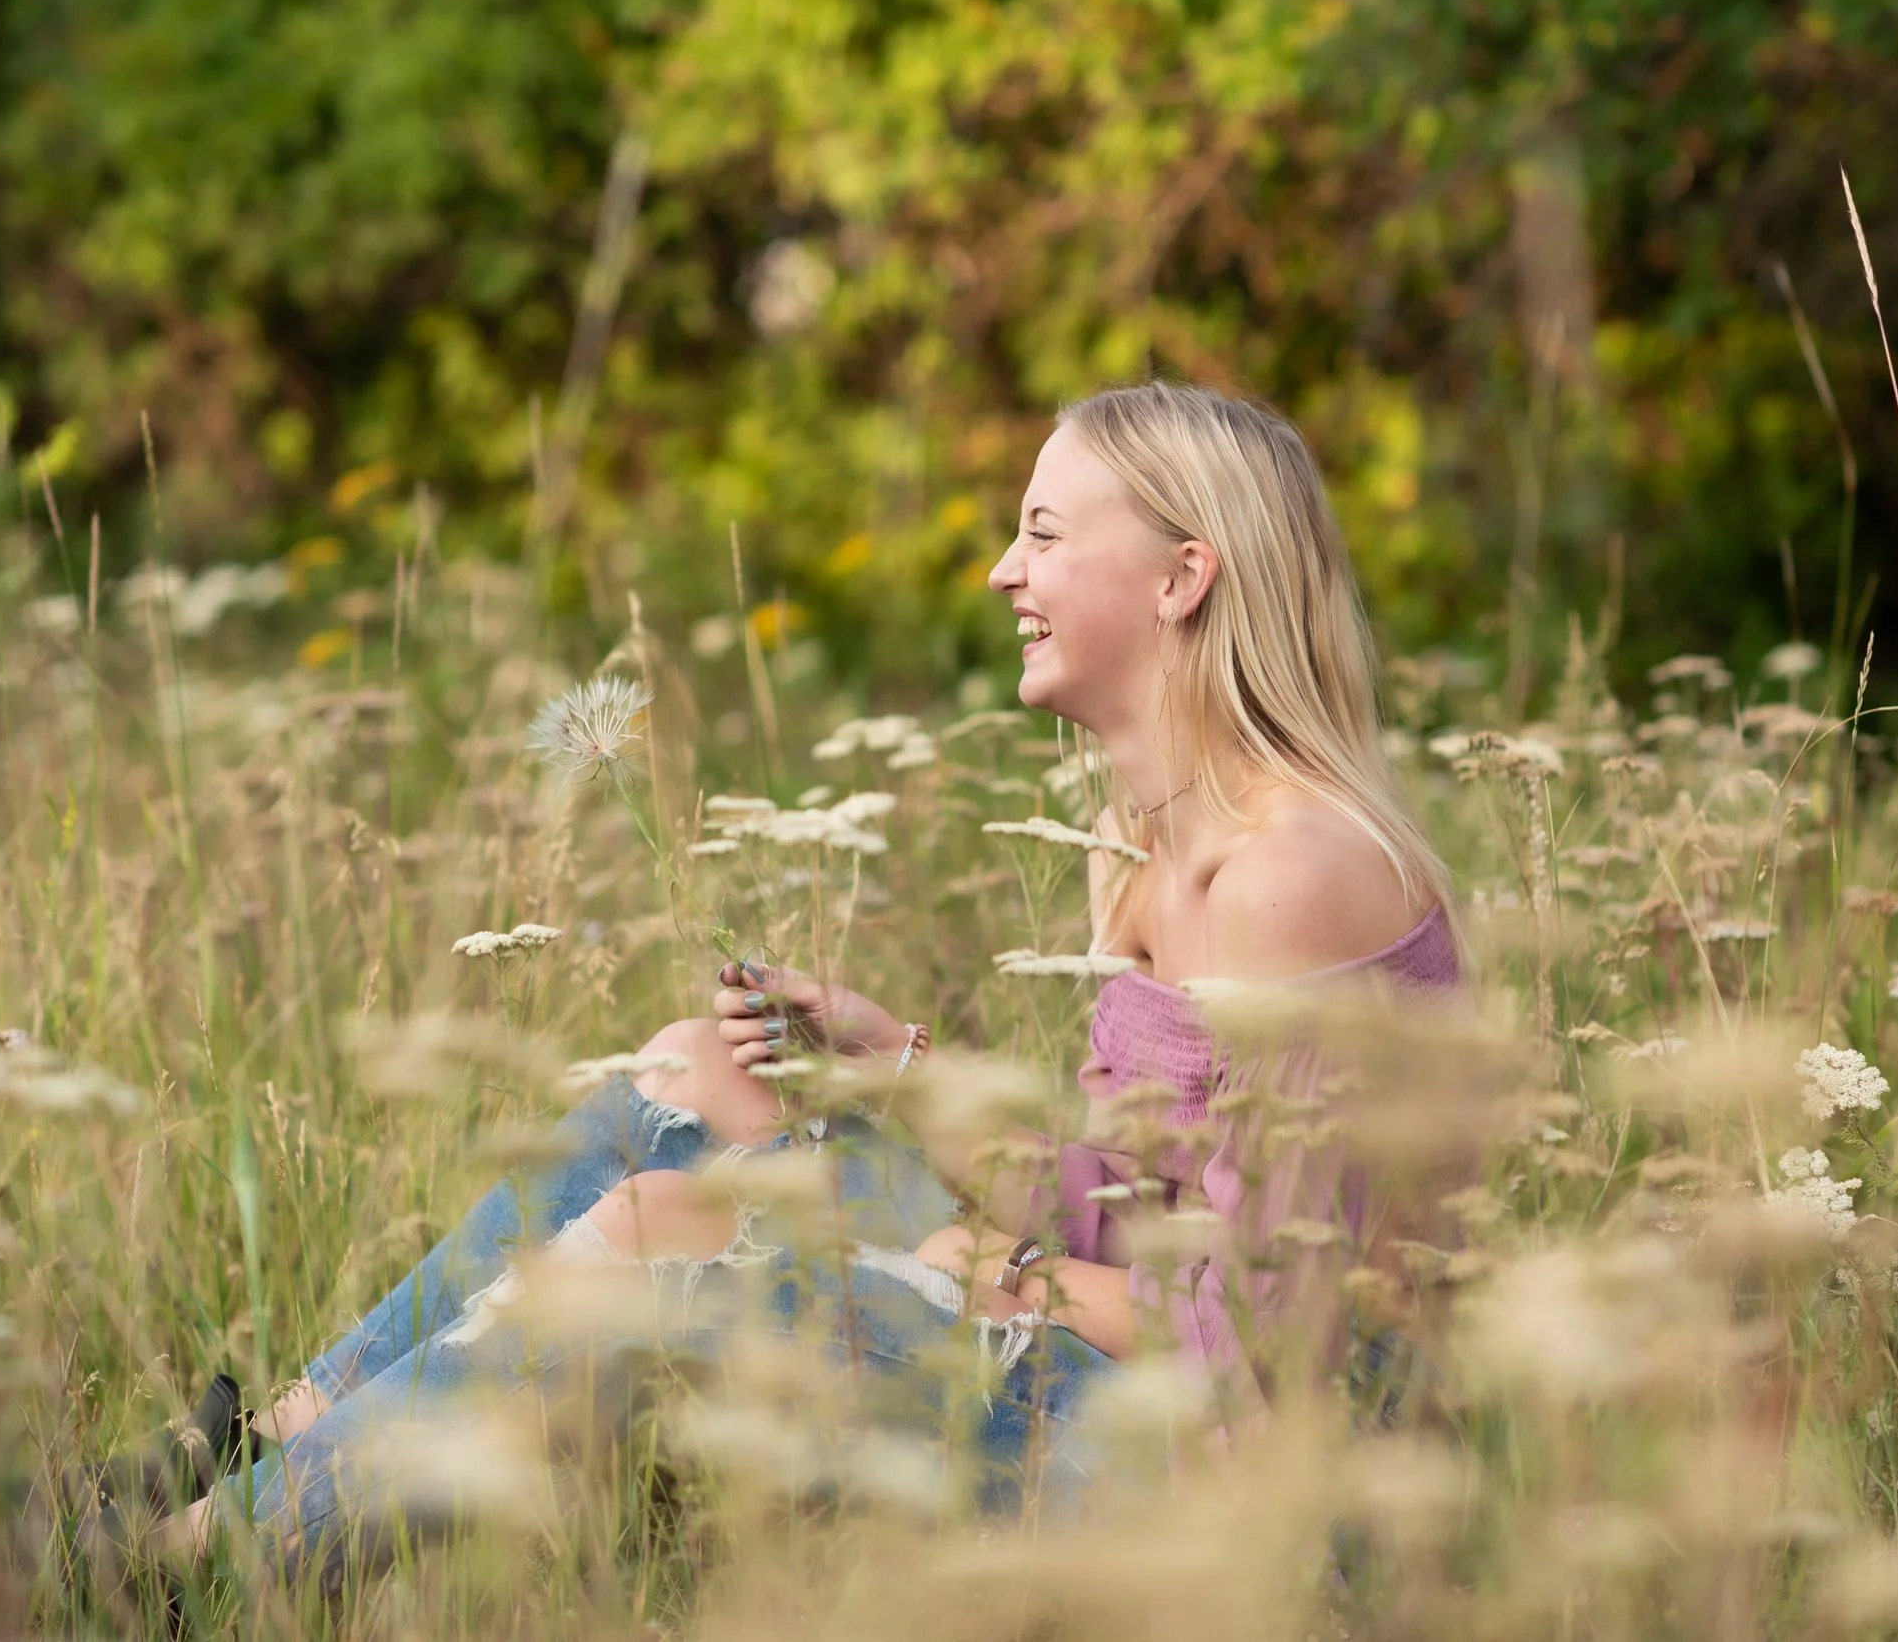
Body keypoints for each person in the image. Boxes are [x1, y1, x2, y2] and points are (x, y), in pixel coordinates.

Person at [176, 380, 1464, 1585]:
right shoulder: (1154, 848)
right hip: (1141, 1376)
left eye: (1045, 534)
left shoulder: (1292, 878)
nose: (1005, 571)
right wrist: (892, 1063)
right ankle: (238, 1464)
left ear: (1184, 576)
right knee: (699, 1072)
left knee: (658, 1233)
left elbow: (1268, 1327)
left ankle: (190, 1577)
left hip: (1250, 1499)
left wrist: (987, 1268)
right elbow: (1135, 1211)